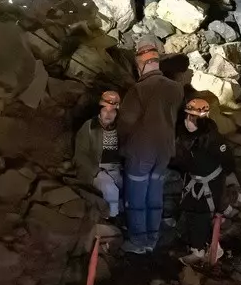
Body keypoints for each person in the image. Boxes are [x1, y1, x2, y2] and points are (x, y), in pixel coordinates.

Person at [121, 45, 186, 254]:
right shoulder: (177, 88)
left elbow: (126, 121)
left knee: (137, 195)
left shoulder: (139, 89)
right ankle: (152, 238)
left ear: (140, 65)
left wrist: (120, 145)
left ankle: (139, 242)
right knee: (155, 192)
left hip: (142, 150)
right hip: (165, 149)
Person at [169, 97, 233, 260]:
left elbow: (228, 162)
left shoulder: (213, 138)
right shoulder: (185, 136)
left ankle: (200, 249)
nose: (189, 121)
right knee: (190, 210)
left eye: (193, 118)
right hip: (193, 180)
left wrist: (219, 185)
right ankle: (195, 243)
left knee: (201, 214)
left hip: (210, 183)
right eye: (188, 116)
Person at [72, 89, 124, 220]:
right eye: (105, 110)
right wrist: (96, 171)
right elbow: (80, 155)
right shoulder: (89, 127)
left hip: (116, 169)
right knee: (110, 189)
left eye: (112, 111)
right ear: (99, 109)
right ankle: (111, 221)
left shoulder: (121, 128)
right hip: (96, 169)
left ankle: (122, 218)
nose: (108, 114)